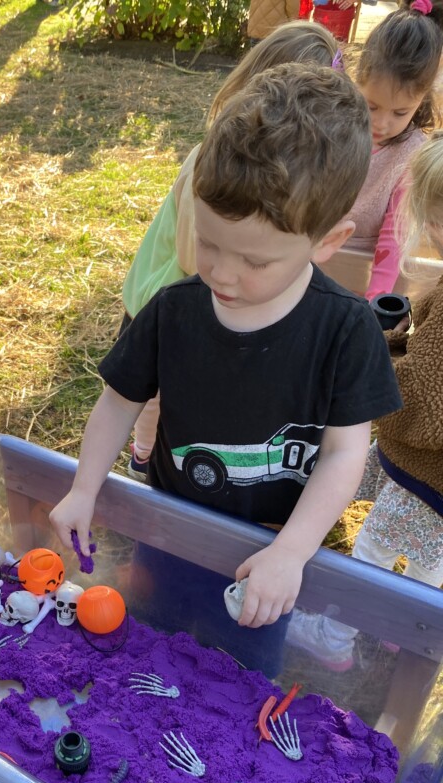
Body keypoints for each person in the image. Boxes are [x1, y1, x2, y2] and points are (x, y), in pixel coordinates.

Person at [50, 64, 402, 677]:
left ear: (327, 240)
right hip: (173, 526)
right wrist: (84, 488)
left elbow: (347, 454)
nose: (222, 273)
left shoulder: (345, 331)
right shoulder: (174, 310)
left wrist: (291, 552)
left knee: (241, 672)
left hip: (267, 551)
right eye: (209, 242)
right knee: (152, 641)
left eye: (255, 260)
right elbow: (117, 402)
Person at [121, 22, 341, 482]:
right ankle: (143, 457)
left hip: (208, 310)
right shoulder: (209, 165)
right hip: (161, 303)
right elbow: (189, 254)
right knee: (153, 397)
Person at [289, 132, 443, 670]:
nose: (432, 229)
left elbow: (423, 403)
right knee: (431, 560)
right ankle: (408, 628)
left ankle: (335, 637)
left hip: (425, 476)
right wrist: (398, 338)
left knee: (376, 548)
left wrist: (369, 371)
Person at [337, 0, 443, 301]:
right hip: (314, 256)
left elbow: (394, 235)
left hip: (362, 276)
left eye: (400, 113)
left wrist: (377, 297)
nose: (382, 123)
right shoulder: (334, 123)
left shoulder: (411, 154)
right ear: (359, 79)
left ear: (422, 100)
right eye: (372, 106)